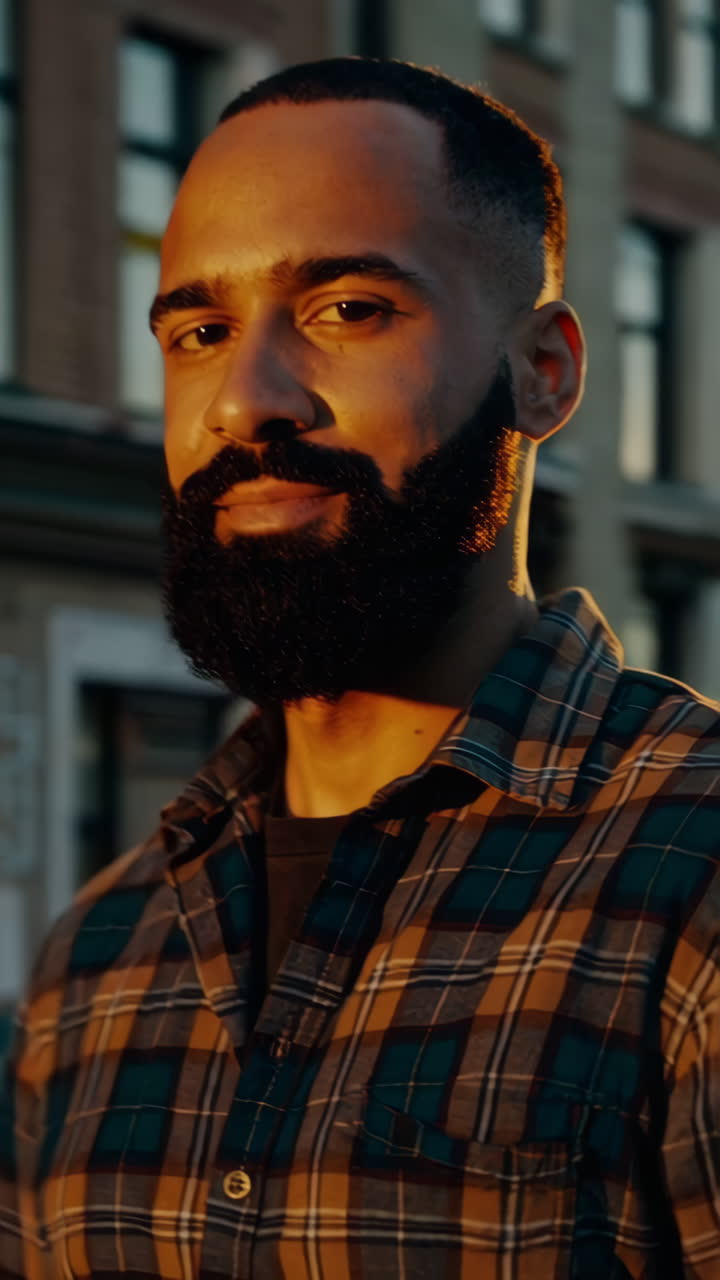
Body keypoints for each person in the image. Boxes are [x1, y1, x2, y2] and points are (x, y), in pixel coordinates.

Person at [1, 55, 719, 1280]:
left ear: (543, 371)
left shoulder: (692, 878)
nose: (246, 401)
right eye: (199, 330)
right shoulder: (98, 955)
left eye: (348, 310)